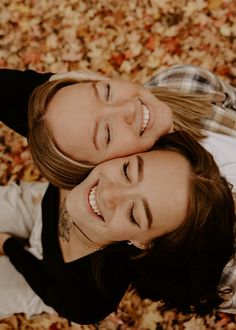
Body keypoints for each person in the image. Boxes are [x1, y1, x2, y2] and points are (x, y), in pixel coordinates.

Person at [0, 129, 235, 323]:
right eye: (127, 171)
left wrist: (9, 245)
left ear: (145, 243)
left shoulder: (90, 299)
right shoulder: (89, 157)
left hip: (47, 281)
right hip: (36, 206)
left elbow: (48, 288)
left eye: (134, 213)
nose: (108, 193)